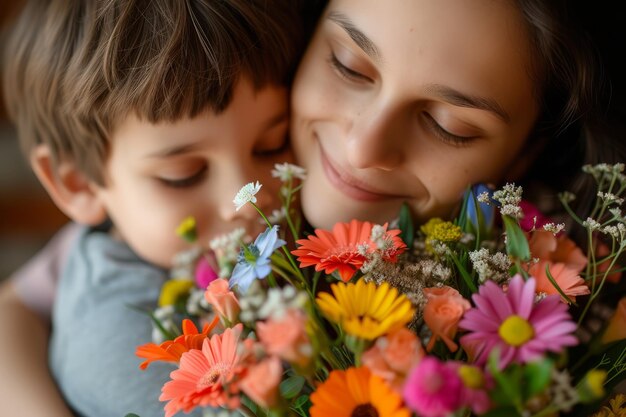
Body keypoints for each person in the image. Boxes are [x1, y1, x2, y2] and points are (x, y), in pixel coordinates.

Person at [2, 0, 625, 414]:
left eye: (448, 124)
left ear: (526, 156)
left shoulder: (567, 272)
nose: (361, 146)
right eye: (349, 65)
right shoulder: (126, 279)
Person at [0, 0, 311, 415]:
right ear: (77, 185)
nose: (245, 198)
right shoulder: (123, 344)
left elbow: (12, 303)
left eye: (273, 143)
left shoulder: (104, 240)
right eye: (183, 173)